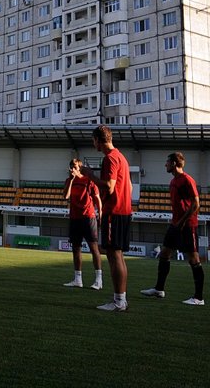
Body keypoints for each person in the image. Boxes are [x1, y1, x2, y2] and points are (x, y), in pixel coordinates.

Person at [141, 152, 205, 306]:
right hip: (175, 224)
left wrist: (182, 221)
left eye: (167, 162)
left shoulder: (187, 180)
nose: (165, 165)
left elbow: (196, 204)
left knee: (194, 259)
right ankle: (159, 289)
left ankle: (198, 298)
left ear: (175, 163)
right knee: (164, 254)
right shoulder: (173, 181)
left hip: (187, 225)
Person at [82, 124, 133, 312]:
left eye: (93, 140)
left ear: (98, 140)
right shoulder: (121, 157)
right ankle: (121, 299)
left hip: (114, 212)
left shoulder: (110, 159)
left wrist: (90, 175)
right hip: (124, 211)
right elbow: (129, 186)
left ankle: (119, 301)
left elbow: (109, 186)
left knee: (113, 255)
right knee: (118, 255)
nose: (93, 144)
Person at [62, 158, 103, 290]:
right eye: (70, 166)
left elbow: (97, 199)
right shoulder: (69, 181)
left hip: (88, 217)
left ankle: (98, 280)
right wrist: (72, 180)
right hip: (74, 218)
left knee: (93, 248)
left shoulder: (88, 181)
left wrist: (100, 213)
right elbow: (66, 197)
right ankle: (78, 279)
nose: (71, 168)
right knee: (76, 248)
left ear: (80, 167)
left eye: (74, 166)